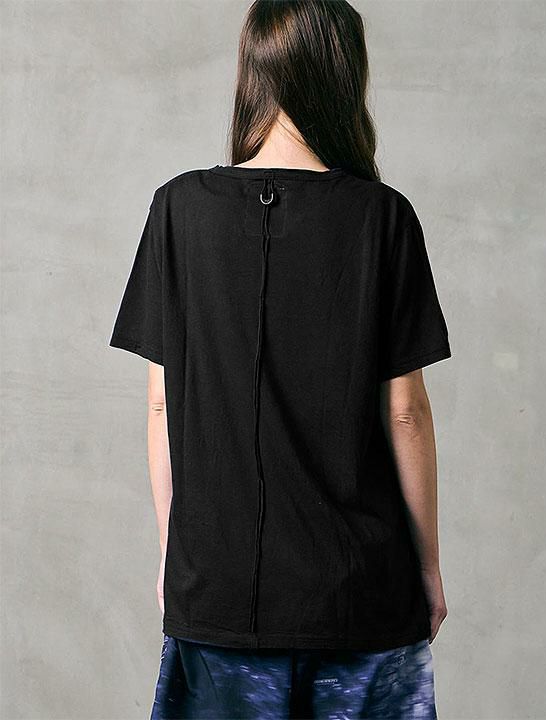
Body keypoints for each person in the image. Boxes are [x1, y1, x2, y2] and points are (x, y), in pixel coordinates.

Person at [108, 1, 452, 717]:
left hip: (217, 590)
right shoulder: (382, 217)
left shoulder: (177, 210)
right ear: (344, 76)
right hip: (361, 594)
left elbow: (162, 403)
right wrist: (428, 568)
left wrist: (176, 556)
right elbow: (406, 414)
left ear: (252, 72)